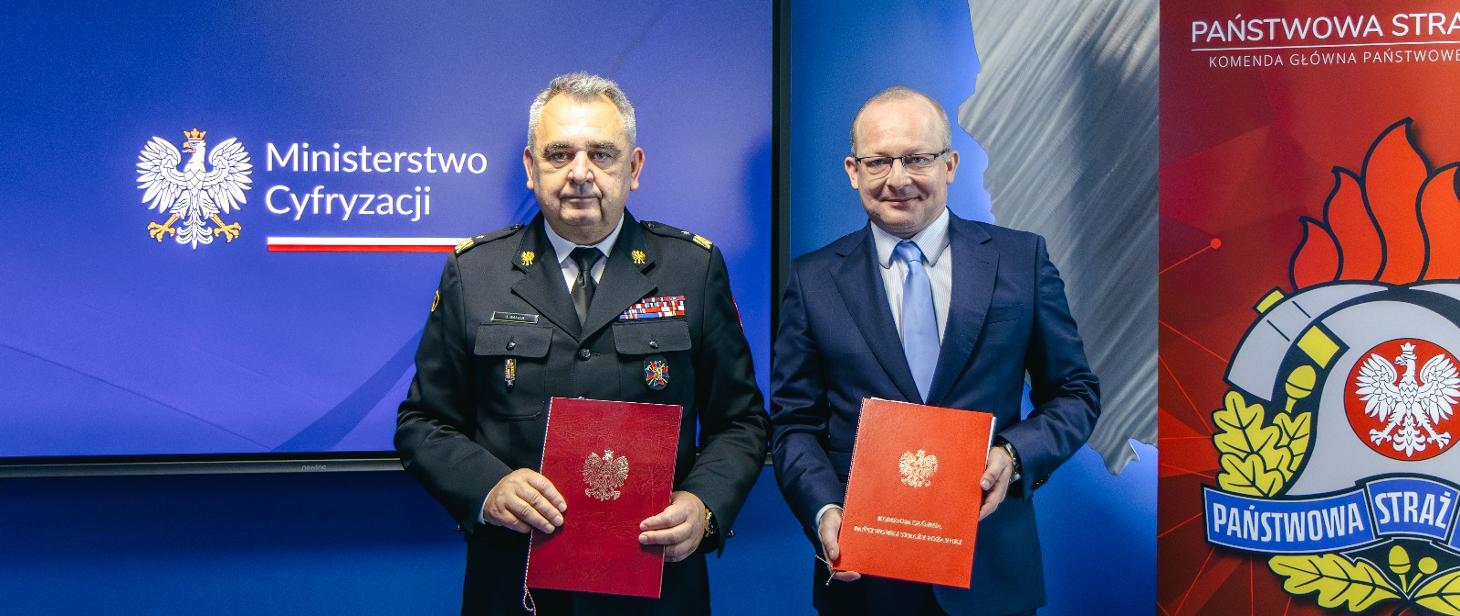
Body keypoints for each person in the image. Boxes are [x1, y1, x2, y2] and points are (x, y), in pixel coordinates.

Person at [396, 72, 769, 615]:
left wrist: (704, 505)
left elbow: (741, 421)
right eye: (559, 154)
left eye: (601, 154)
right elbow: (422, 423)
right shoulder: (474, 273)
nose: (579, 172)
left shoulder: (693, 268)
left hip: (656, 584)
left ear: (633, 168)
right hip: (516, 582)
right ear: (531, 167)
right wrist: (488, 488)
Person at [770, 86, 1100, 616]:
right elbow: (794, 424)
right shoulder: (813, 281)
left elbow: (1075, 393)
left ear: (950, 165)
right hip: (864, 578)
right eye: (878, 161)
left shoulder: (1021, 260)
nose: (897, 179)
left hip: (990, 574)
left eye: (917, 158)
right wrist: (824, 509)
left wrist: (1013, 456)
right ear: (853, 171)